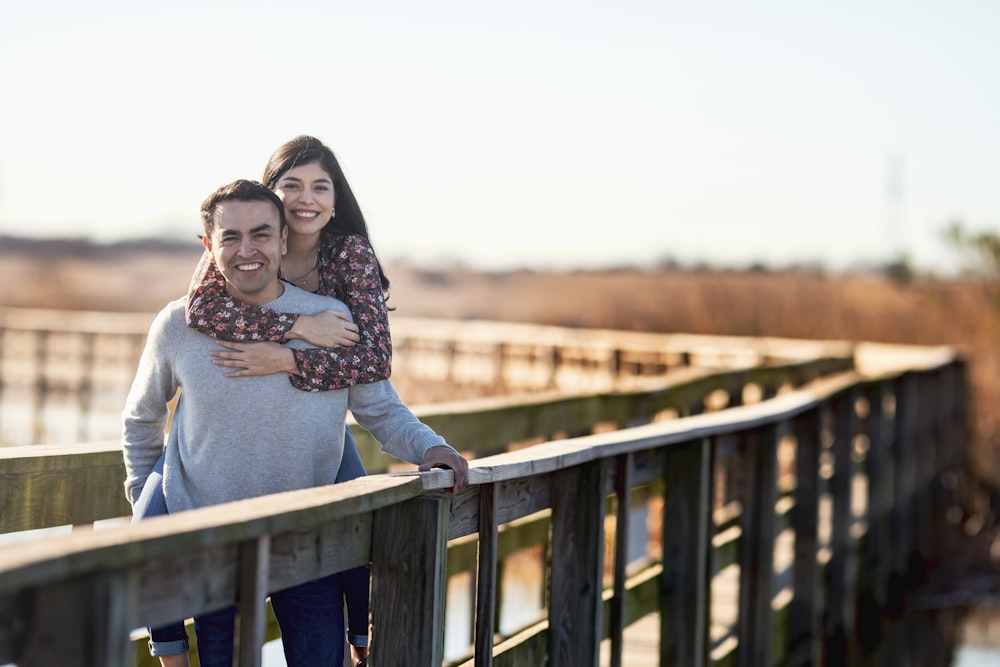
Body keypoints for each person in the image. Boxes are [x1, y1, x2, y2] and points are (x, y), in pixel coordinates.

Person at [123, 179, 469, 667]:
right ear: (208, 245)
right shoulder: (178, 325)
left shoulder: (332, 319)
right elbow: (142, 418)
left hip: (309, 537)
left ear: (284, 240)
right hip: (209, 540)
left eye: (262, 234)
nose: (247, 250)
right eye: (230, 237)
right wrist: (145, 496)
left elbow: (380, 409)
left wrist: (431, 448)